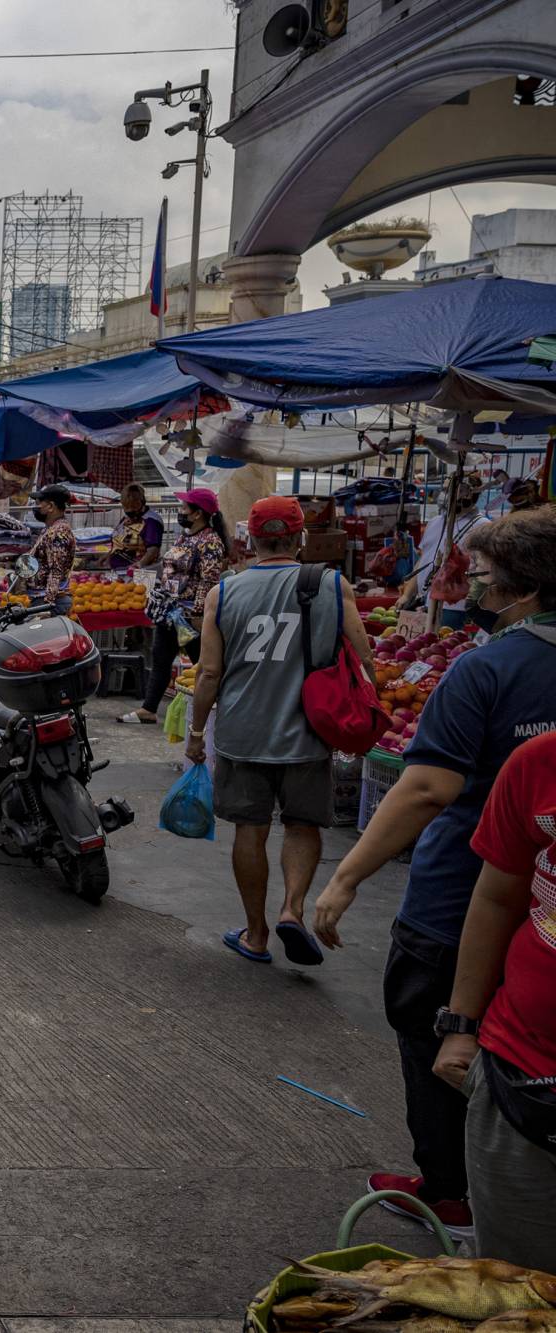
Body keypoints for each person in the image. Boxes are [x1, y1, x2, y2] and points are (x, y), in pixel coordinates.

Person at [310, 506, 556, 1236]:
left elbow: (426, 788)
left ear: (523, 585)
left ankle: (448, 1189)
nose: (471, 588)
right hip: (539, 916)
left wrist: (347, 875)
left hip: (460, 894)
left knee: (437, 1036)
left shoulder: (487, 666)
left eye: (480, 576)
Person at [187, 496, 370, 968]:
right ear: (300, 537)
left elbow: (208, 674)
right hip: (308, 730)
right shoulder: (333, 584)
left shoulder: (223, 592)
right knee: (301, 824)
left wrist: (195, 731)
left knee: (250, 828)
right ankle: (292, 909)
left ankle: (256, 933)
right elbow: (365, 661)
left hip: (242, 732)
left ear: (250, 539)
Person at [432, 728, 556, 1272]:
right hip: (523, 1077)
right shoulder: (540, 761)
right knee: (513, 1285)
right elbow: (498, 894)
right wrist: (461, 1024)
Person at [119, 489, 231, 726]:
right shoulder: (185, 536)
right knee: (161, 659)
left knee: (202, 664)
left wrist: (200, 614)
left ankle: (214, 711)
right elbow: (169, 567)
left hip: (191, 616)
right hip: (169, 611)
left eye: (183, 508)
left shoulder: (210, 542)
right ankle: (149, 709)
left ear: (198, 513)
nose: (180, 512)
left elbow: (209, 581)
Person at [405, 486, 490, 630]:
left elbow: (486, 569)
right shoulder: (435, 521)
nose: (445, 495)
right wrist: (407, 595)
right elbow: (424, 560)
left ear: (469, 496)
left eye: (451, 490)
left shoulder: (483, 526)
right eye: (445, 490)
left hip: (456, 607)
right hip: (427, 600)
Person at [23, 485, 78, 616]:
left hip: (49, 601)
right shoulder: (51, 529)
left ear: (51, 506)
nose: (36, 507)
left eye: (39, 503)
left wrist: (47, 606)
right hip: (44, 599)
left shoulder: (58, 532)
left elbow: (56, 571)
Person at [109, 483, 163, 572]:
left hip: (138, 572)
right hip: (119, 570)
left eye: (133, 506)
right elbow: (118, 541)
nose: (129, 510)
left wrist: (140, 564)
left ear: (142, 502)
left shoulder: (151, 521)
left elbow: (153, 549)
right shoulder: (126, 519)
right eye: (126, 507)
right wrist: (108, 556)